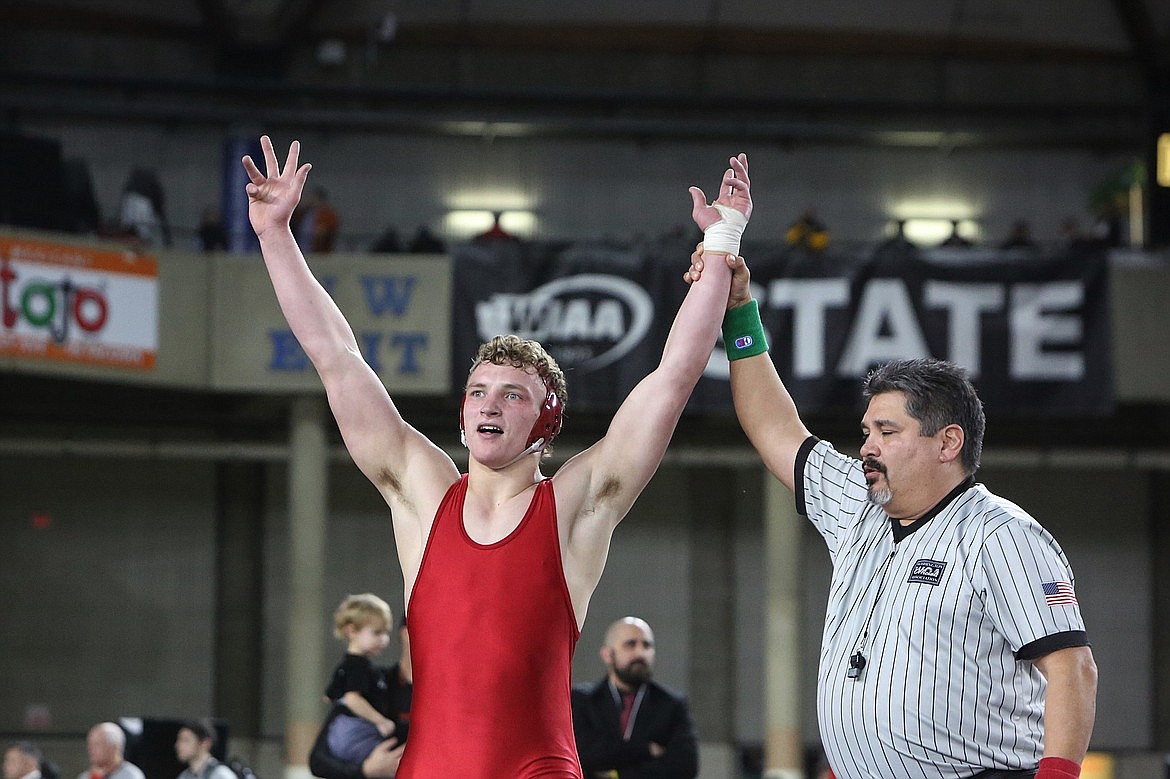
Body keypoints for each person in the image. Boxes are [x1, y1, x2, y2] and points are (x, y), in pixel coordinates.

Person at [241, 135, 749, 778]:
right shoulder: (422, 488)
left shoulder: (574, 502)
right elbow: (337, 359)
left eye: (513, 396)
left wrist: (724, 240)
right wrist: (276, 236)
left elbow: (674, 377)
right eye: (478, 391)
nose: (489, 404)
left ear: (546, 421)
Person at [684, 252, 1098, 779]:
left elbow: (1071, 669)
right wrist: (740, 308)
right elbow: (771, 424)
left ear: (948, 442)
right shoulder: (859, 501)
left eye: (887, 432)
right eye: (866, 432)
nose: (867, 448)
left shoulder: (1003, 535)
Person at [572, 617, 698, 779]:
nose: (640, 653)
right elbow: (583, 755)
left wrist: (615, 775)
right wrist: (646, 749)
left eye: (647, 645)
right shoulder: (582, 701)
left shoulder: (671, 705)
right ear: (607, 654)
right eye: (630, 644)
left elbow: (684, 767)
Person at [311, 618, 413, 779]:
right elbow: (318, 761)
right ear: (405, 633)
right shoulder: (373, 682)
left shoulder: (444, 695)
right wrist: (365, 770)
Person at [324, 594, 400, 762]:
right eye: (377, 633)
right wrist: (381, 721)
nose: (384, 639)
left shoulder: (346, 665)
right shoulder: (358, 666)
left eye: (386, 633)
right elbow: (352, 699)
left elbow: (329, 696)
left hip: (341, 733)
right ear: (352, 631)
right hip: (354, 732)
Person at [76, 723, 145, 779]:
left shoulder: (131, 776)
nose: (91, 749)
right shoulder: (86, 777)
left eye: (97, 744)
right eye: (90, 744)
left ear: (114, 748)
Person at [293, 186, 341, 253]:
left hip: (318, 252)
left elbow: (321, 233)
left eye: (313, 199)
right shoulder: (304, 213)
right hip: (300, 248)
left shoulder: (328, 215)